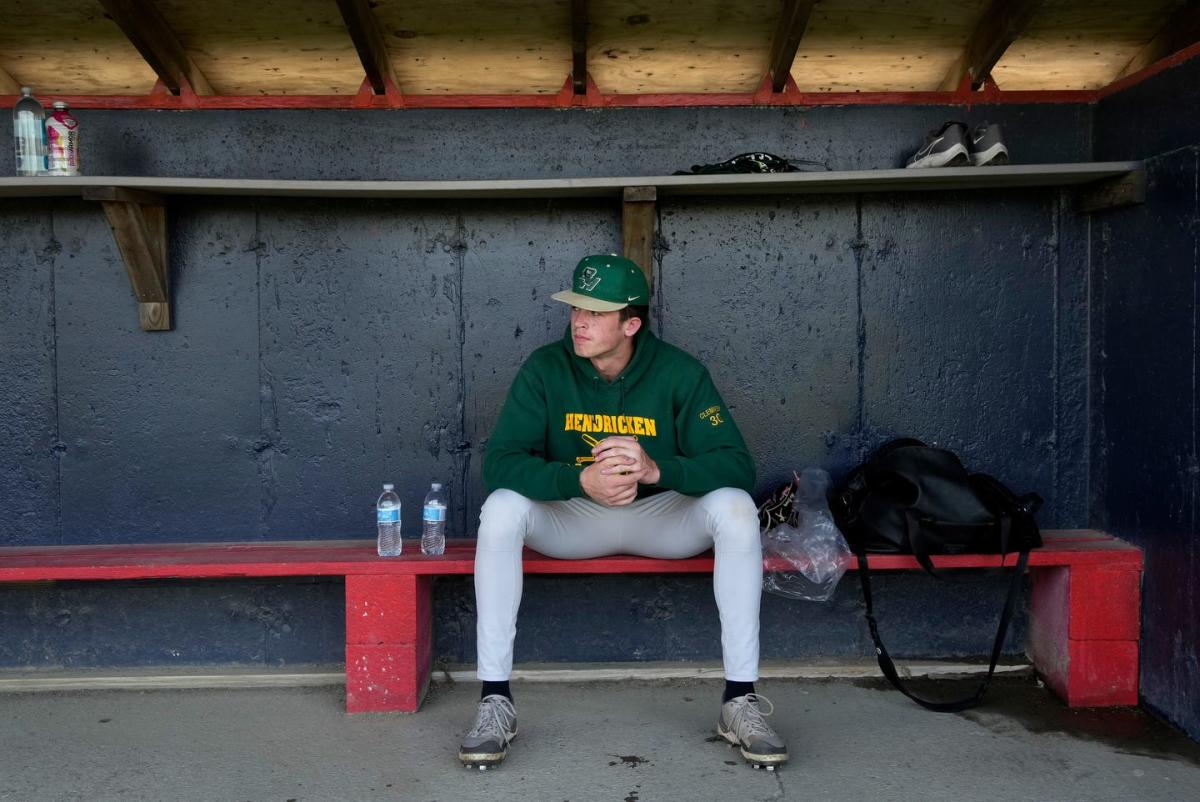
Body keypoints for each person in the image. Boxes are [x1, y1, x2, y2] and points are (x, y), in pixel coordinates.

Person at [458, 254, 787, 771]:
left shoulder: (679, 372)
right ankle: (494, 700)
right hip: (573, 518)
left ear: (630, 323)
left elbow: (736, 465)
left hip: (660, 518)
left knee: (737, 507)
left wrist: (658, 470)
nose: (579, 322)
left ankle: (739, 699)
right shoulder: (546, 367)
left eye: (595, 313)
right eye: (575, 309)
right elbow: (500, 463)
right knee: (501, 509)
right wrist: (576, 479)